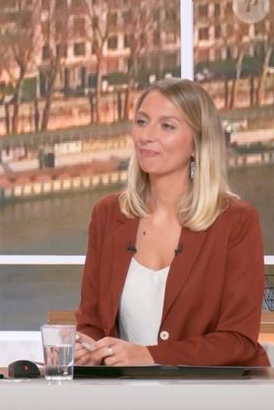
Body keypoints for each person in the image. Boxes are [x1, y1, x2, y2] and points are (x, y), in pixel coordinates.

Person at [74, 78, 269, 367]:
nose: (146, 136)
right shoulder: (108, 215)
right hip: (126, 395)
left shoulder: (235, 221)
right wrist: (86, 350)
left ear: (197, 143)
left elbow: (237, 340)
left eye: (166, 126)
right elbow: (91, 322)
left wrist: (150, 356)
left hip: (214, 397)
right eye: (142, 121)